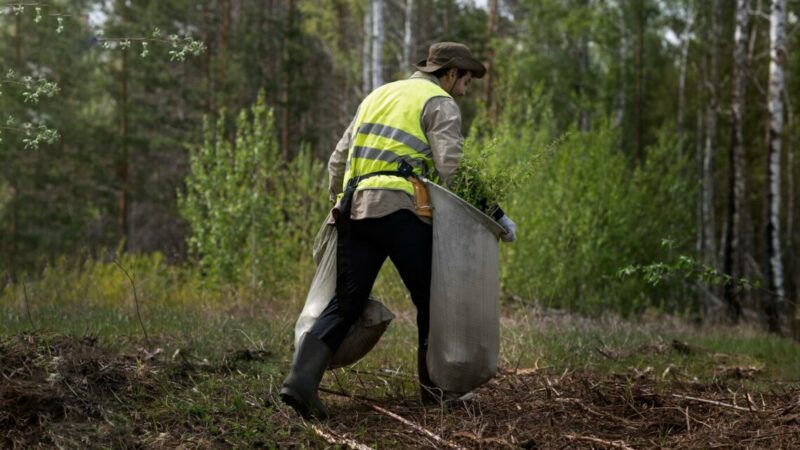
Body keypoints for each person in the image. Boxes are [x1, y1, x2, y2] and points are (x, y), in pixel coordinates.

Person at [280, 42, 516, 420]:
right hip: (403, 211)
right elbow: (452, 168)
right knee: (434, 301)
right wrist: (495, 213)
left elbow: (336, 161)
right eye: (467, 77)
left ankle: (300, 383)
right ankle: (435, 392)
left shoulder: (377, 96)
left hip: (355, 209)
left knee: (346, 301)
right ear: (450, 73)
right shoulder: (439, 102)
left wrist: (339, 202)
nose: (468, 86)